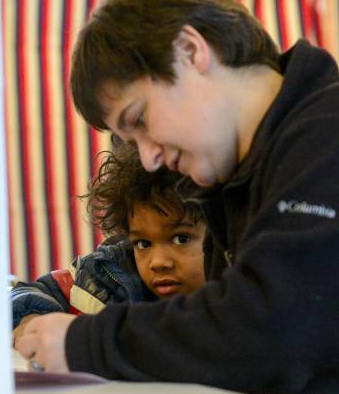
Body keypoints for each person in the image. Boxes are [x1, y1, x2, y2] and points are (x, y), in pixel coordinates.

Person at [14, 0, 339, 394]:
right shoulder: (233, 181)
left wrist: (87, 342)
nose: (148, 158)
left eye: (140, 119)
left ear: (190, 50)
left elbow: (271, 330)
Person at [11, 143, 206, 343]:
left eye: (181, 239)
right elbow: (23, 293)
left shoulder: (235, 303)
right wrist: (31, 320)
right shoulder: (103, 274)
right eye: (143, 243)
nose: (158, 262)